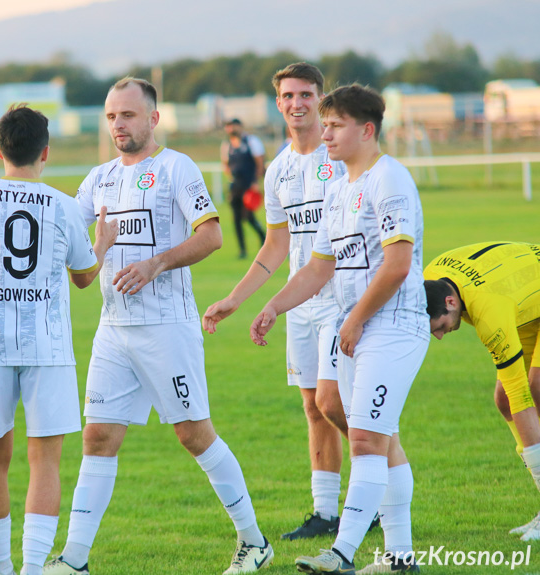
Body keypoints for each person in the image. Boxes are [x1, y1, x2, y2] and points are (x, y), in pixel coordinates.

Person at [44, 78, 273, 575]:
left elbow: (211, 235)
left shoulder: (176, 168)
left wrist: (156, 264)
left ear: (153, 119)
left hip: (167, 326)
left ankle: (254, 542)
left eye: (128, 115)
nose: (118, 125)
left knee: (194, 435)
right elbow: (64, 231)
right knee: (97, 438)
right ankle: (75, 560)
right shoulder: (99, 177)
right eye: (110, 117)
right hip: (113, 328)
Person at [250, 85, 428, 574]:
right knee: (378, 438)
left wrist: (352, 319)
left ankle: (343, 551)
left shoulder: (389, 179)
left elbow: (396, 265)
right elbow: (316, 269)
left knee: (367, 440)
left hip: (391, 325)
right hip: (358, 329)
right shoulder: (340, 190)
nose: (325, 134)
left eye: (335, 125)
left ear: (366, 130)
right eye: (324, 125)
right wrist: (273, 308)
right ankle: (400, 558)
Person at [0, 105, 118, 575]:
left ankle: (0, 568)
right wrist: (103, 243)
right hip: (48, 348)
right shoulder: (60, 205)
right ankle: (33, 567)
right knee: (45, 462)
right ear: (46, 153)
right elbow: (83, 279)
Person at [204, 63, 349, 541]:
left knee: (333, 402)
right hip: (299, 303)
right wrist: (235, 298)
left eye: (306, 94)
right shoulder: (280, 169)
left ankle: (378, 483)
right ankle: (327, 512)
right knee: (313, 407)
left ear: (320, 99)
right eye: (288, 96)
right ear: (279, 102)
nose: (297, 103)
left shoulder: (342, 158)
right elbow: (275, 246)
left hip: (343, 299)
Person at [424, 241, 540, 541]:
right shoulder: (430, 278)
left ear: (451, 303)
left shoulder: (490, 312)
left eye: (440, 326)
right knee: (503, 401)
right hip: (526, 301)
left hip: (517, 297)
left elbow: (521, 396)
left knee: (531, 391)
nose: (439, 336)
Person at [221, 118, 267, 258]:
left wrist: (255, 182)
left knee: (248, 216)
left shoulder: (251, 141)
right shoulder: (226, 145)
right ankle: (242, 250)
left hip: (249, 185)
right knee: (236, 219)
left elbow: (260, 163)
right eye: (228, 127)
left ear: (240, 127)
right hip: (235, 186)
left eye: (233, 126)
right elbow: (225, 164)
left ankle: (263, 237)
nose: (231, 129)